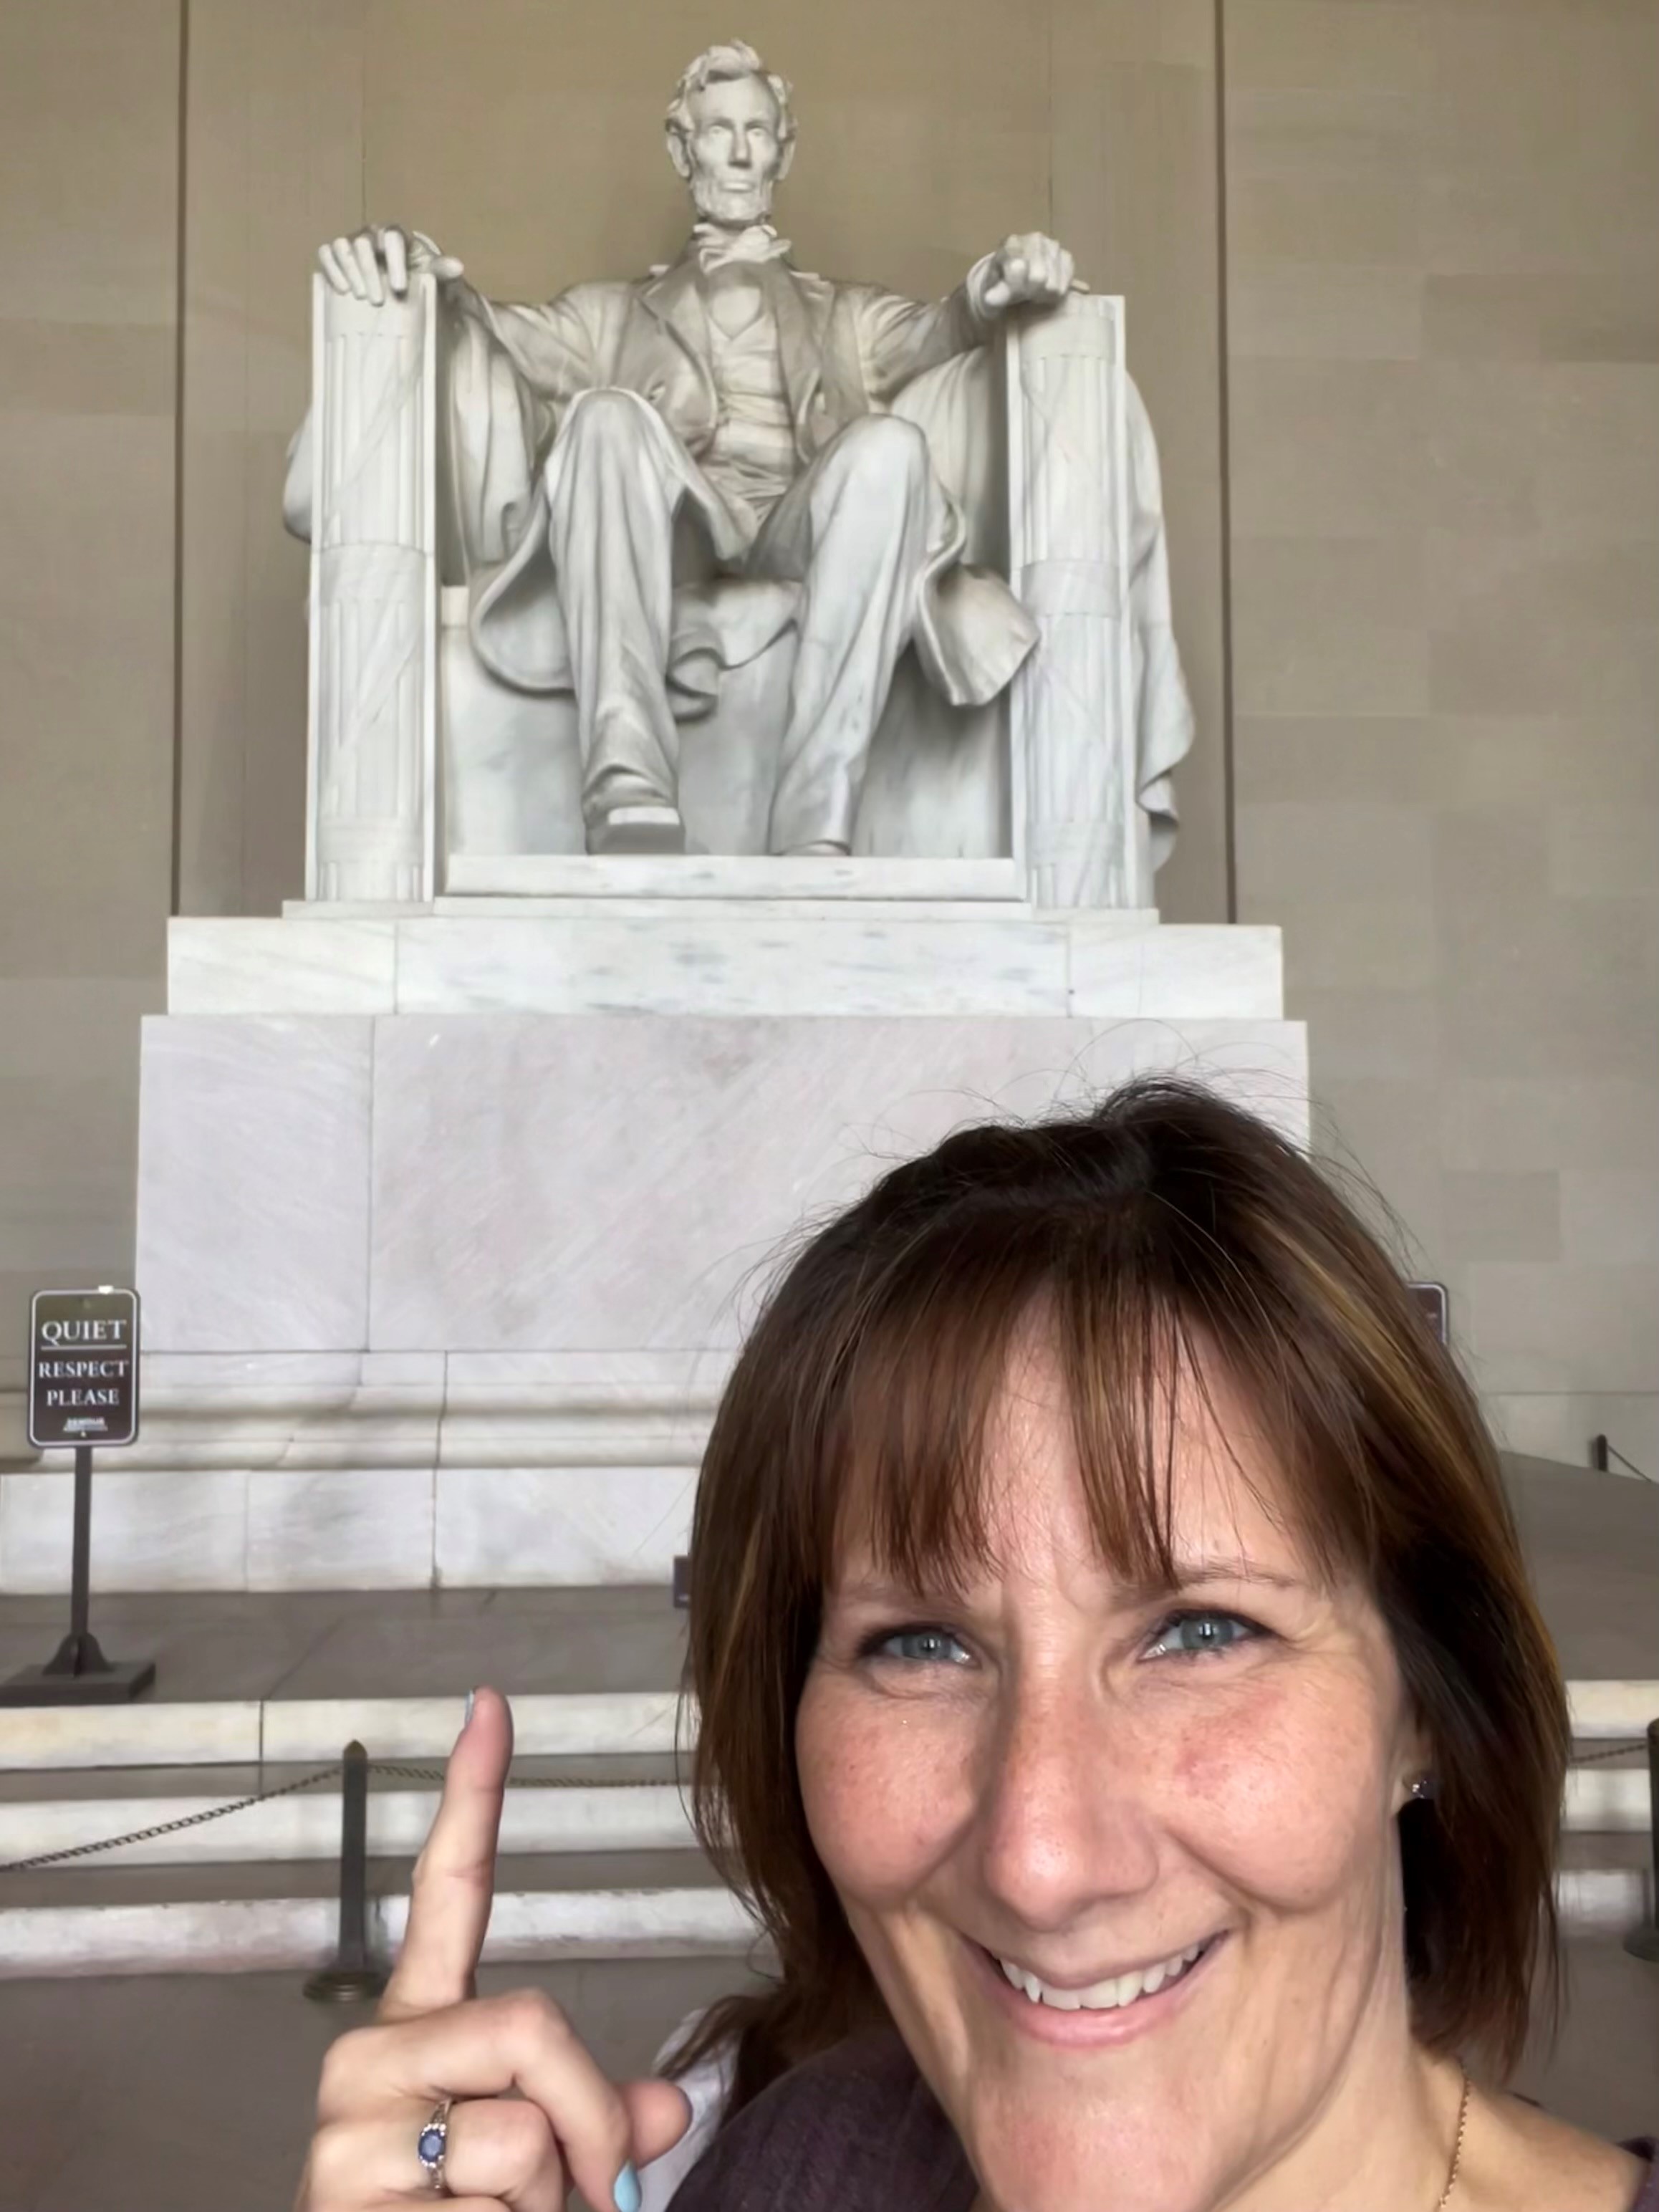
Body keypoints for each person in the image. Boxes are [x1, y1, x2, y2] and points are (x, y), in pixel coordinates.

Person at [294, 1079, 1658, 2211]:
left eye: (1199, 1629)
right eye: (921, 1646)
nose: (1040, 1856)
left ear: (1422, 1700)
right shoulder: (798, 2170)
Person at [306, 41, 1079, 858]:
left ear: (786, 150)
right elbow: (490, 327)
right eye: (718, 131)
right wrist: (417, 267)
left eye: (758, 131)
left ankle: (817, 822)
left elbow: (944, 328)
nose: (741, 152)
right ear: (683, 149)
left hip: (797, 528)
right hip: (675, 530)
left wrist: (1000, 278)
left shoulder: (845, 316)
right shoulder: (612, 314)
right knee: (604, 417)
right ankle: (627, 783)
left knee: (889, 446)